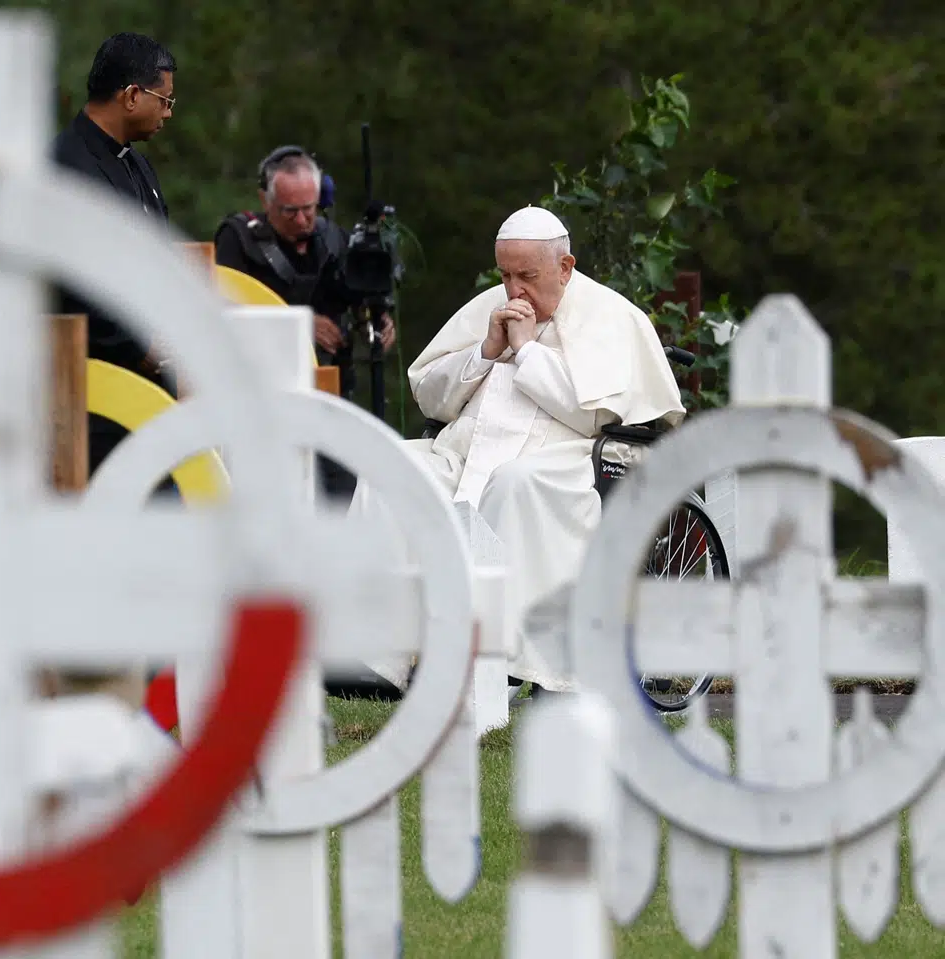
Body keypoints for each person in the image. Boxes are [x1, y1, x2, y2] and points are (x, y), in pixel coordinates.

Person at [399, 206, 685, 690]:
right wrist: (484, 352)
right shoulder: (489, 307)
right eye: (506, 275)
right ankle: (383, 655)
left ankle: (506, 660)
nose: (514, 291)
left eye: (527, 276)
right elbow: (430, 397)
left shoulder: (611, 316)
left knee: (513, 484)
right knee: (396, 467)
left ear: (565, 267)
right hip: (466, 451)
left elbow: (593, 414)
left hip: (569, 459)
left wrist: (528, 350)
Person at [214, 146, 396, 499]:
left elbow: (355, 295)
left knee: (342, 491)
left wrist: (375, 319)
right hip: (262, 397)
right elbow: (223, 312)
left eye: (309, 210)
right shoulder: (239, 240)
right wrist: (301, 324)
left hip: (330, 395)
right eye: (290, 211)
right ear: (265, 202)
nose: (301, 221)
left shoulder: (333, 239)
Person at [51, 32, 177, 474]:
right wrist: (137, 345)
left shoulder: (138, 165)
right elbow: (70, 279)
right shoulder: (63, 166)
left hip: (149, 389)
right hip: (88, 390)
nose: (167, 113)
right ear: (130, 96)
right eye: (164, 101)